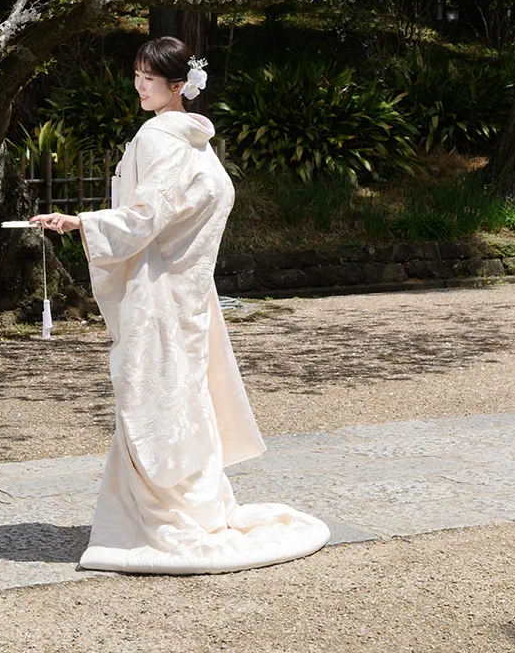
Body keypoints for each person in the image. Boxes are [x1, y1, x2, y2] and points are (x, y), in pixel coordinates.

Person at [29, 36, 330, 575]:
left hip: (161, 292)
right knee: (183, 396)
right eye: (137, 75)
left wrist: (82, 223)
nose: (139, 86)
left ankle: (155, 513)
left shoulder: (157, 137)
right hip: (190, 292)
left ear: (177, 86)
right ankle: (194, 504)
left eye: (149, 78)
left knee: (155, 397)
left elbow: (147, 216)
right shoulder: (198, 142)